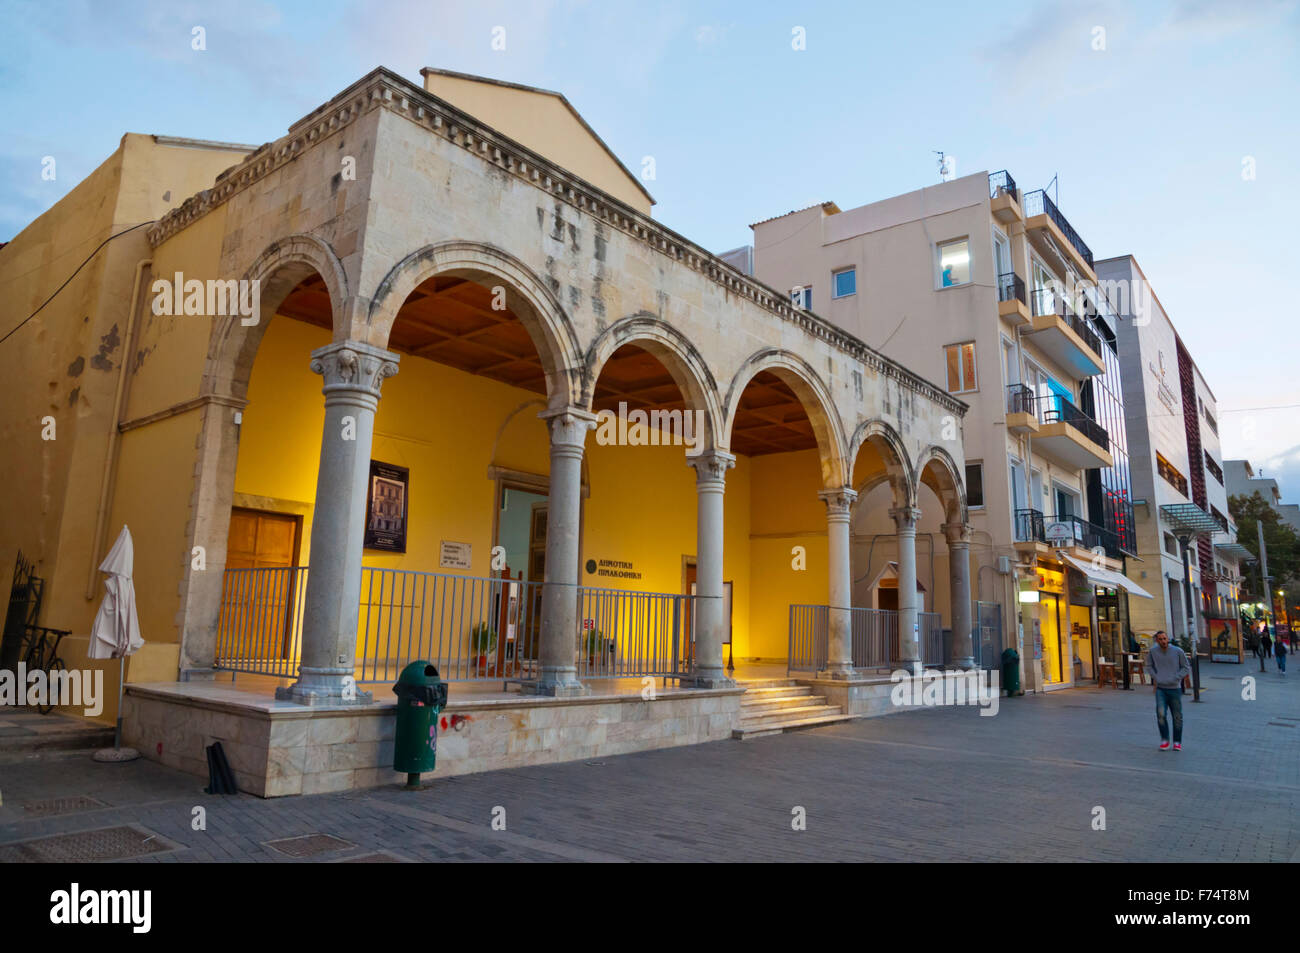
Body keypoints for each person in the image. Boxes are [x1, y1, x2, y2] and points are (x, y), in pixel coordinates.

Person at [1148, 630, 1191, 751]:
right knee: (1161, 715)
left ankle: (1177, 742)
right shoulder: (1153, 652)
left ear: (1168, 639)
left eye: (1164, 639)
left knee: (1177, 716)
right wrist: (1156, 677)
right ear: (1157, 641)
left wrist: (1176, 678)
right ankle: (1165, 740)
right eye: (1160, 639)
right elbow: (1149, 666)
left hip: (1175, 688)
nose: (1163, 641)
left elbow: (1186, 667)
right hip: (1161, 688)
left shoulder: (1177, 651)